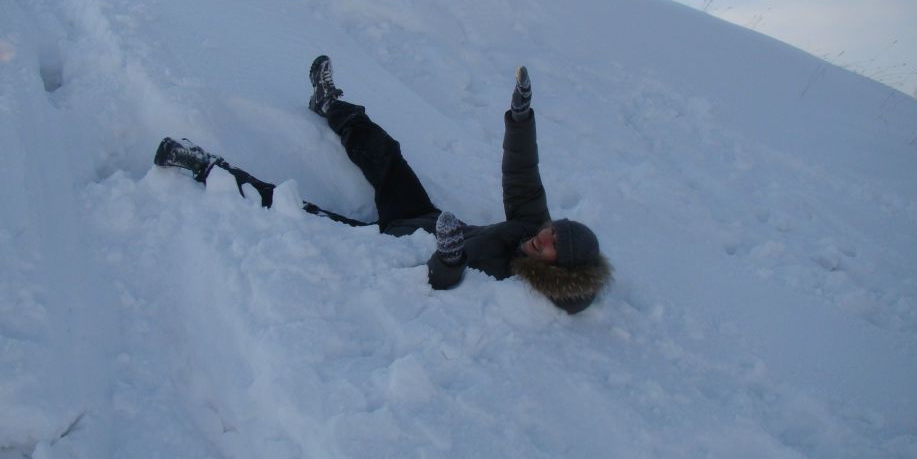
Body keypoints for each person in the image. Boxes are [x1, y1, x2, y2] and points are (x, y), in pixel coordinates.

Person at [154, 57, 613, 314]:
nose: (543, 236)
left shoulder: (516, 287)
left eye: (552, 245)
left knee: (296, 212)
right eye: (553, 230)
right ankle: (328, 103)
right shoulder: (531, 227)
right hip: (421, 219)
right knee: (384, 153)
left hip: (388, 249)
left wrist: (449, 257)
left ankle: (205, 168)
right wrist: (520, 118)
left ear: (560, 271)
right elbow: (522, 174)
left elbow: (445, 283)